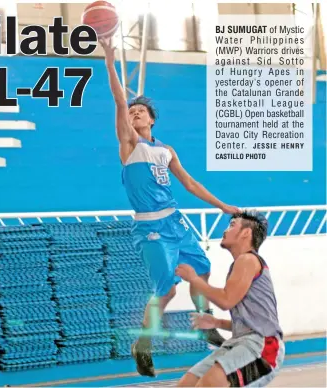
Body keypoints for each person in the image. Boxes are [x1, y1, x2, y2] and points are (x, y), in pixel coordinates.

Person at [100, 38, 240, 378]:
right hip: (150, 227)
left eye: (140, 111)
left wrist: (223, 206)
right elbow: (120, 100)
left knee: (202, 269)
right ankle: (143, 344)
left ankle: (204, 323)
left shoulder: (166, 150)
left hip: (176, 223)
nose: (134, 113)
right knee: (167, 290)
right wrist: (109, 56)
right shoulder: (129, 145)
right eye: (131, 112)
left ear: (151, 120)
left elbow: (190, 185)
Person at [175, 210, 285, 387]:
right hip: (240, 342)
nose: (225, 230)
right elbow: (252, 321)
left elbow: (226, 300)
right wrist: (218, 323)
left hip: (264, 347)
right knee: (187, 383)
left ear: (246, 233)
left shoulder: (248, 260)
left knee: (211, 382)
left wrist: (194, 279)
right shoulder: (241, 264)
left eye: (232, 225)